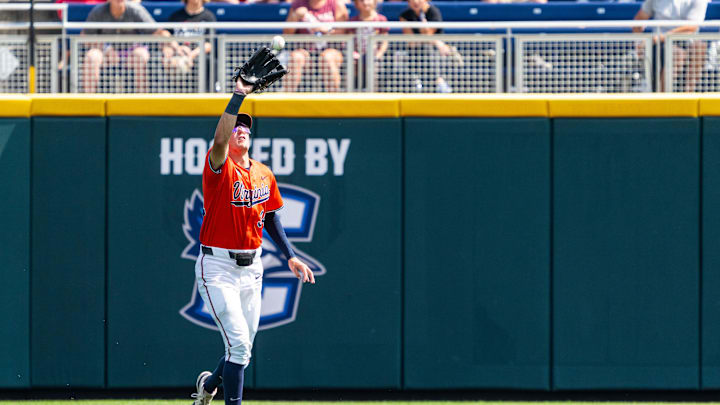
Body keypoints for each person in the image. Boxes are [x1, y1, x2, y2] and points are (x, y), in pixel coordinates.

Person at [190, 64, 315, 405]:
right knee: (240, 344)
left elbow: (272, 216)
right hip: (217, 268)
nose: (241, 131)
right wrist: (239, 96)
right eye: (236, 128)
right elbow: (218, 139)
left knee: (241, 349)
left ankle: (210, 386)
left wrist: (290, 254)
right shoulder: (219, 167)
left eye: (246, 128)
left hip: (253, 270)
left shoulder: (263, 173)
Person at [82, 0, 170, 93]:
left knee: (141, 55)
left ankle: (142, 100)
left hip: (131, 53)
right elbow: (85, 37)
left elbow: (157, 32)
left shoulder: (135, 9)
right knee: (92, 56)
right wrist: (105, 48)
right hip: (106, 55)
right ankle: (90, 101)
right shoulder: (98, 11)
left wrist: (167, 43)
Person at [632, 0, 708, 92]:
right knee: (676, 54)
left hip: (684, 42)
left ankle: (689, 95)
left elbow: (691, 27)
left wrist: (663, 36)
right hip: (659, 44)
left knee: (699, 47)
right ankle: (663, 98)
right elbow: (639, 19)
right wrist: (639, 43)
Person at [283, 0, 349, 92]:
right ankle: (286, 101)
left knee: (327, 57)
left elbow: (342, 32)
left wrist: (325, 31)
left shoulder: (336, 4)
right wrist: (295, 16)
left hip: (332, 49)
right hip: (305, 52)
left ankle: (334, 102)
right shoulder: (298, 4)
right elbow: (287, 33)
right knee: (296, 57)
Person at [399, 0, 461, 92]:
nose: (416, 2)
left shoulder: (433, 12)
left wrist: (425, 29)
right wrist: (434, 41)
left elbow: (429, 34)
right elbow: (410, 40)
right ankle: (438, 81)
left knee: (428, 49)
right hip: (415, 52)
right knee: (424, 48)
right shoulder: (405, 15)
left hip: (436, 52)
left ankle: (436, 82)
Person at [345, 0, 389, 89]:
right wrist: (353, 53)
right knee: (351, 66)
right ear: (357, 3)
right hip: (357, 56)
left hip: (374, 56)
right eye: (361, 1)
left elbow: (384, 41)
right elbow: (350, 41)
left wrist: (378, 55)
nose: (365, 3)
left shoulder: (381, 20)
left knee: (374, 68)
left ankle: (374, 94)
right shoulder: (353, 21)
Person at [163, 0, 216, 74]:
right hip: (178, 53)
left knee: (206, 60)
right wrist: (178, 48)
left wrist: (191, 55)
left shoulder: (208, 17)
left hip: (197, 55)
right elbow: (166, 33)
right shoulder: (176, 16)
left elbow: (208, 44)